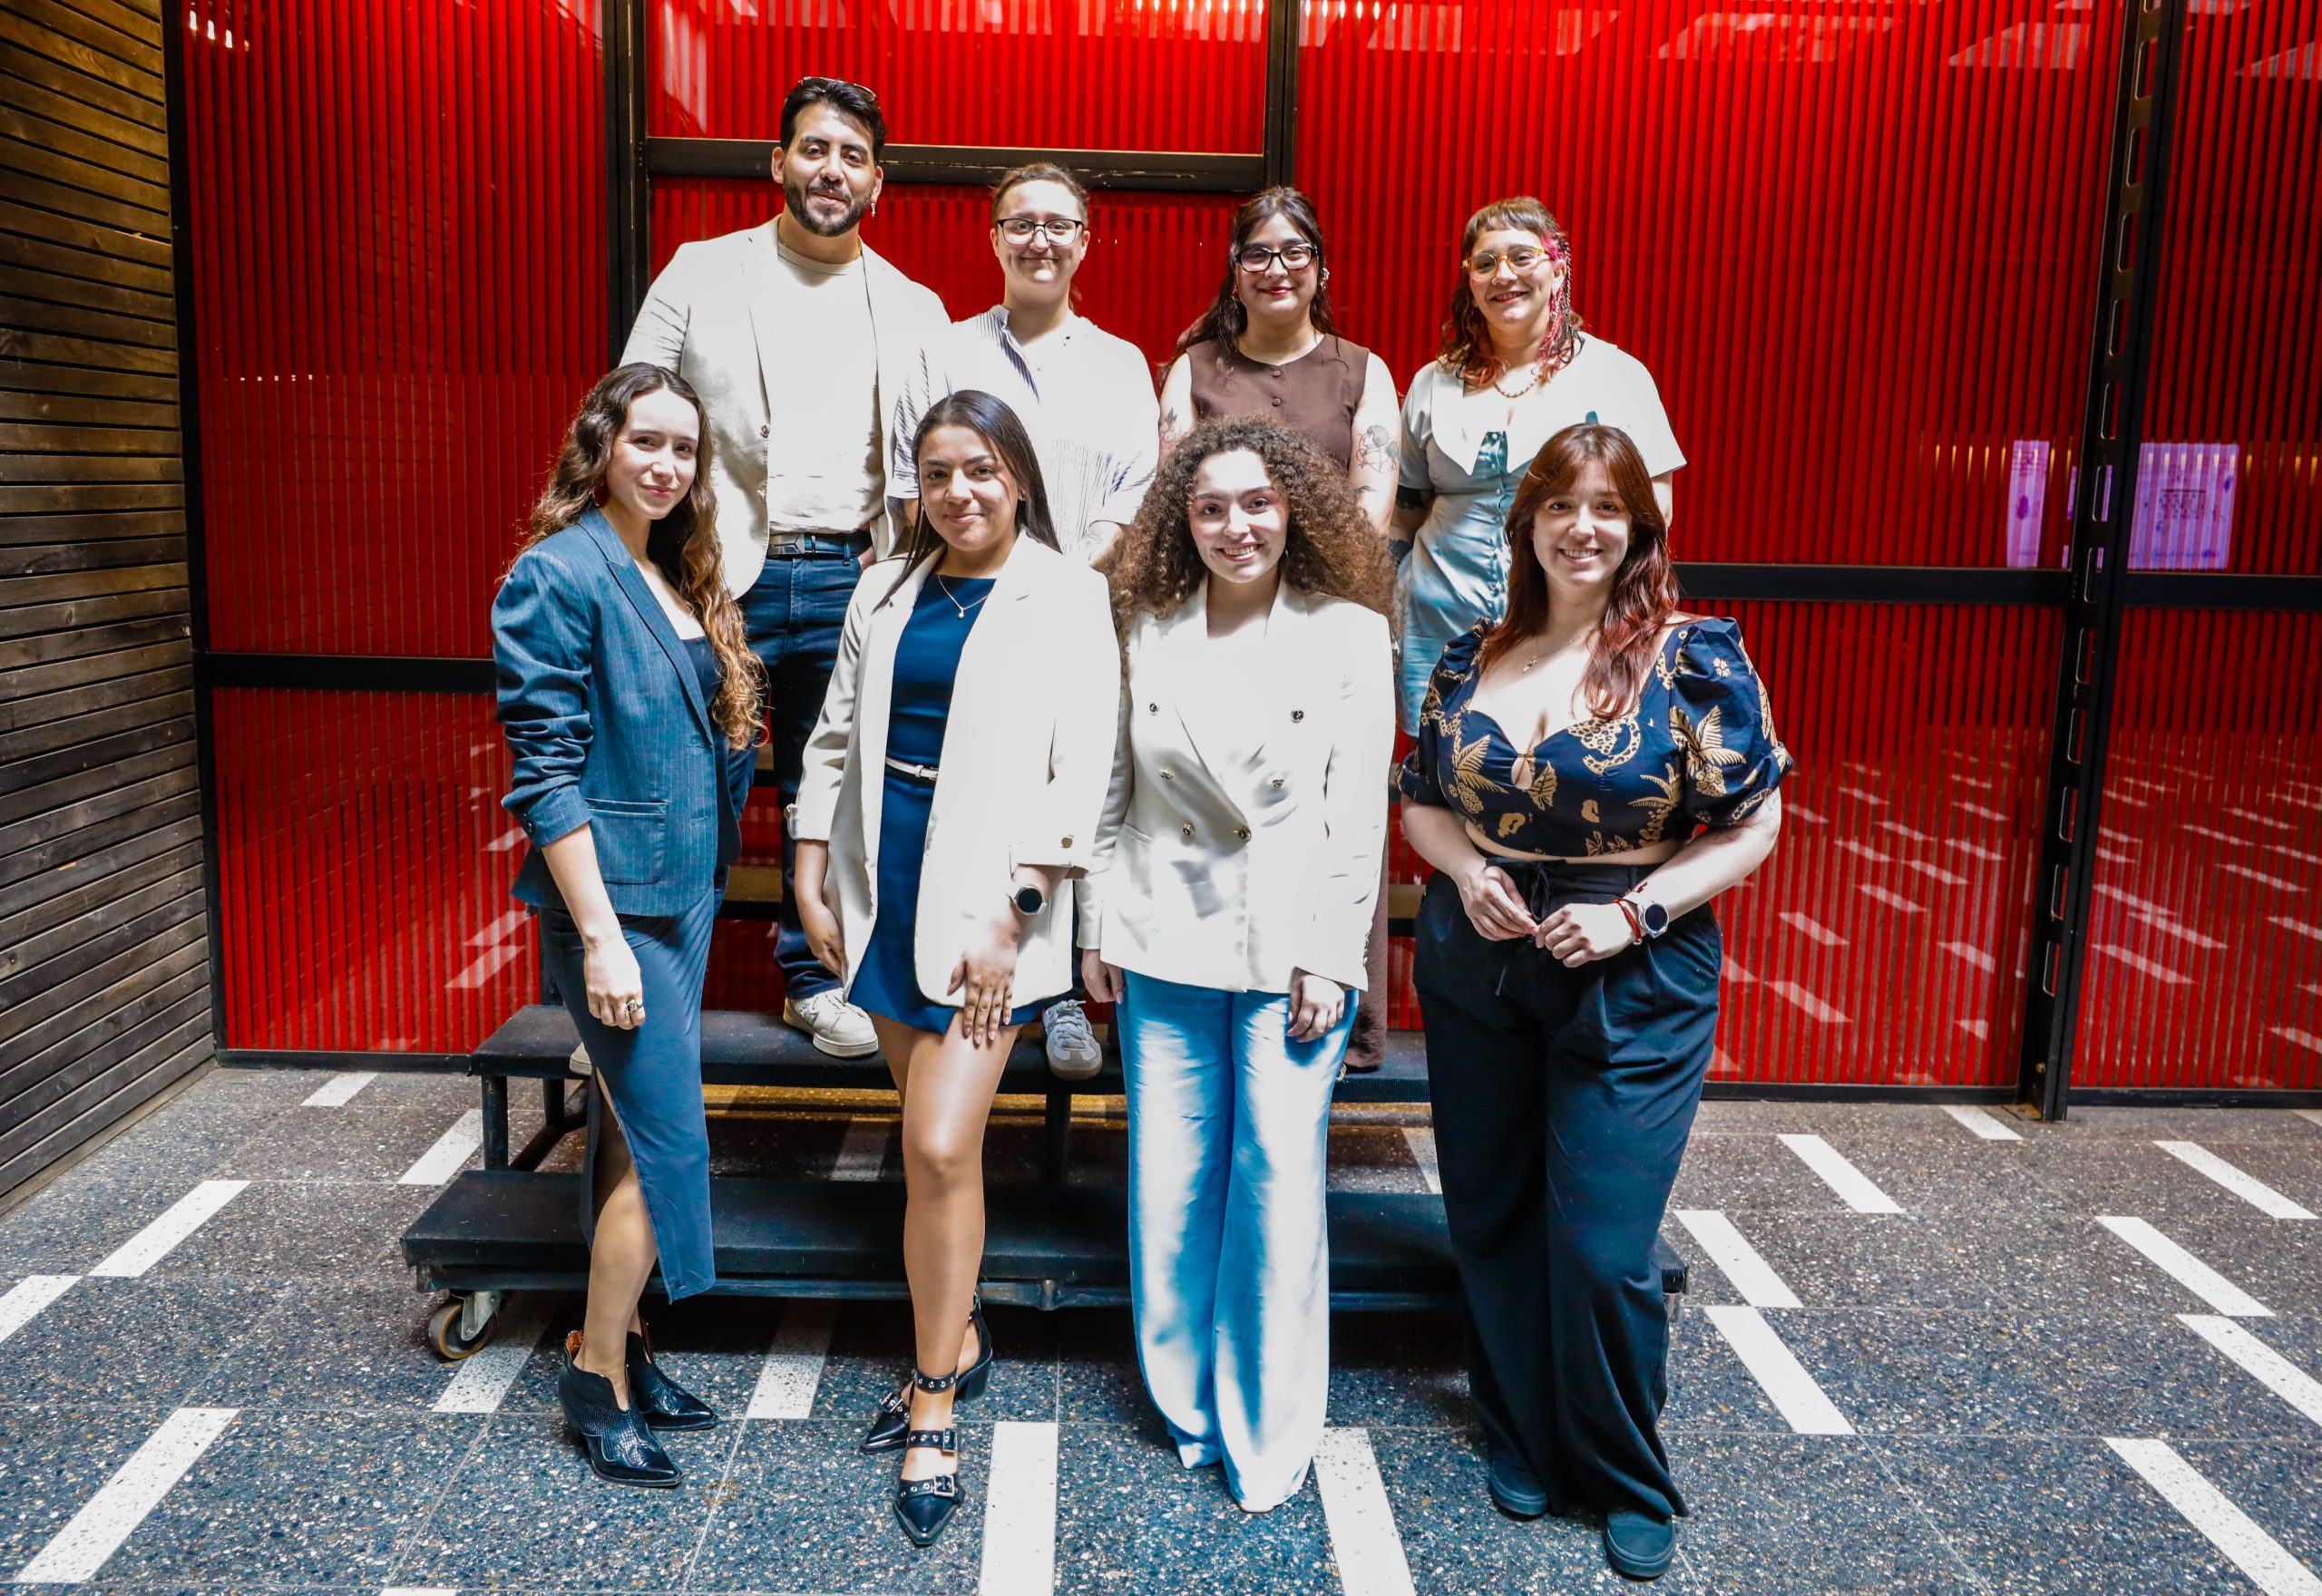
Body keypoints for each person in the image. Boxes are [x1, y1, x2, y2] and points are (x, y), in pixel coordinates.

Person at [1398, 423, 1788, 1581]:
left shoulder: (1690, 656)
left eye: (1607, 508)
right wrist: (1466, 872)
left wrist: (1637, 911)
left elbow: (1756, 822)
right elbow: (1420, 800)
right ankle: (1520, 1433)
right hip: (1481, 955)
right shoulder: (1471, 654)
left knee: (1604, 1244)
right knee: (1492, 1214)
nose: (1582, 527)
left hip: (1633, 965)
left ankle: (1624, 1472)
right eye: (1560, 505)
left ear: (1638, 529)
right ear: (1525, 524)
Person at [791, 391, 1119, 1546]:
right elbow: (834, 730)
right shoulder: (884, 586)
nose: (958, 492)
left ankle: (934, 1397)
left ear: (1016, 474)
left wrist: (1018, 910)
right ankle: (961, 1330)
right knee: (933, 1148)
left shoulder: (1067, 592)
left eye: (979, 469)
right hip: (883, 883)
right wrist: (807, 859)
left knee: (936, 1145)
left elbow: (1084, 766)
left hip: (992, 909)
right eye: (937, 473)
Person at [1081, 416, 1394, 1513]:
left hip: (1291, 942)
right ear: (1183, 521)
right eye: (1210, 507)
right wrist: (1094, 928)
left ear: (1293, 508)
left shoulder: (1351, 633)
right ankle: (1186, 1403)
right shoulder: (1144, 626)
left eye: (1256, 502)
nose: (1235, 525)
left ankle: (1265, 1420)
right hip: (1160, 928)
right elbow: (1111, 789)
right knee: (1168, 1180)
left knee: (1274, 1179)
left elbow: (1356, 817)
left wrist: (1330, 953)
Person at [621, 75, 951, 1062]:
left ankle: (816, 981)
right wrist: (645, 567)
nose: (831, 170)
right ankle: (654, 987)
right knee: (693, 787)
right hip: (719, 580)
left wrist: (912, 571)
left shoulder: (915, 307)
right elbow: (631, 412)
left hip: (855, 575)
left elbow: (933, 461)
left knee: (832, 797)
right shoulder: (700, 272)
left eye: (853, 156)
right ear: (778, 162)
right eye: (814, 149)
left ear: (878, 180)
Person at [493, 364, 762, 1488]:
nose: (665, 464)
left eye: (684, 448)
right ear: (602, 443)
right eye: (645, 441)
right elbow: (544, 771)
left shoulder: (667, 566)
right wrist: (598, 934)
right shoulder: (556, 573)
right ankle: (594, 1371)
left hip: (682, 892)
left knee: (626, 1133)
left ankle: (630, 1344)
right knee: (667, 1148)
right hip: (618, 909)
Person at [918, 160, 1162, 1079]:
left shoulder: (1120, 363)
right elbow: (915, 484)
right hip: (963, 606)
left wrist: (1058, 581)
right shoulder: (944, 351)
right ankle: (948, 958)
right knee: (978, 786)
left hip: (1081, 608)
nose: (1040, 241)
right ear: (994, 238)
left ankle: (1058, 988)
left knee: (1073, 787)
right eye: (1020, 224)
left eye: (1059, 225)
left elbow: (1135, 488)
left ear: (1085, 241)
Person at [1157, 185, 1401, 1072]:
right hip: (1218, 626)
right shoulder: (1193, 368)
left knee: (1338, 806)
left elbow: (1371, 511)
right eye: (1257, 252)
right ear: (1235, 269)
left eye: (1294, 251)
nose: (1276, 268)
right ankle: (1207, 993)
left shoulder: (1361, 371)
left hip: (1329, 623)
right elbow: (1174, 497)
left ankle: (1337, 1003)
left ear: (1320, 269)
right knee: (1217, 801)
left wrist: (1303, 606)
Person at [1394, 197, 1685, 734]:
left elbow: (1654, 513)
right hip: (1438, 622)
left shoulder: (1617, 375)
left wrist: (1619, 610)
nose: (1503, 275)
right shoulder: (1431, 383)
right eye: (1485, 263)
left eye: (1522, 257)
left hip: (1573, 624)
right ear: (1470, 282)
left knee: (1557, 759)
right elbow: (1405, 512)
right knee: (1439, 769)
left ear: (1558, 269)